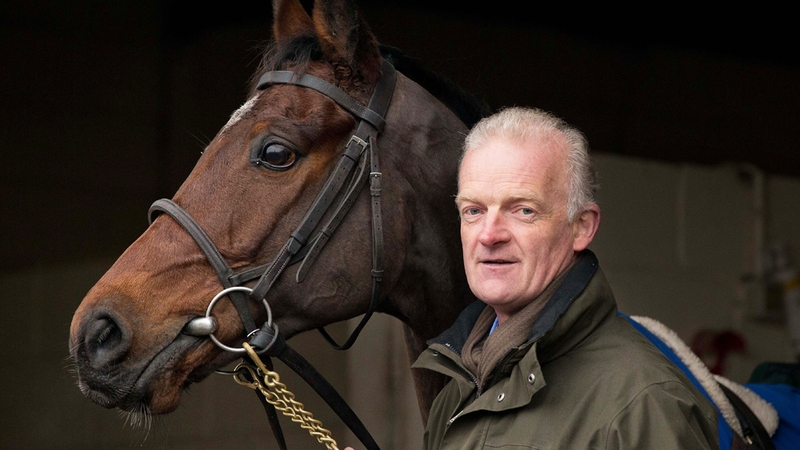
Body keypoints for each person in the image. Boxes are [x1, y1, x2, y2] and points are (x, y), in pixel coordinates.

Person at [411, 107, 720, 449]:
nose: (489, 234)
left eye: (523, 210)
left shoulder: (644, 402)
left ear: (581, 227)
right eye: (474, 211)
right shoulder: (458, 390)